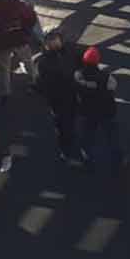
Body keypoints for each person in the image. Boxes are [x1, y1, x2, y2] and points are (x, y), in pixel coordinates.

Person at [32, 30, 81, 162]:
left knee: (65, 123)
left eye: (54, 39)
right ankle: (67, 147)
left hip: (65, 97)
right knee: (64, 124)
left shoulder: (42, 62)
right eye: (51, 39)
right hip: (62, 98)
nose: (53, 42)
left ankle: (67, 147)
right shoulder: (69, 51)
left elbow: (39, 85)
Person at [74, 47, 121, 171]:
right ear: (97, 61)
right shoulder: (107, 78)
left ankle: (87, 159)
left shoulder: (78, 75)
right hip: (106, 111)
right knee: (112, 137)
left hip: (87, 111)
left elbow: (77, 86)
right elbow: (113, 88)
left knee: (87, 136)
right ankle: (117, 161)